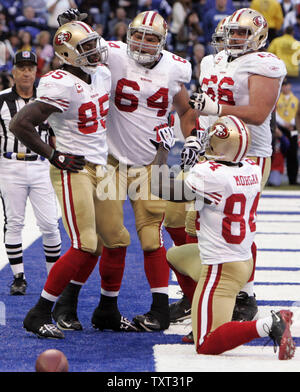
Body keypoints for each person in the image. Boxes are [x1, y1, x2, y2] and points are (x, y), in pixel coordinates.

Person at [54, 9, 198, 332]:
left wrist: (191, 138)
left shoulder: (175, 68)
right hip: (111, 163)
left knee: (151, 237)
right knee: (105, 238)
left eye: (151, 38)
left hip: (153, 164)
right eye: (138, 35)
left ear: (163, 42)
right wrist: (71, 28)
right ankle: (77, 303)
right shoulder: (114, 54)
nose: (143, 43)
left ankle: (160, 310)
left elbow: (186, 109)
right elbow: (82, 49)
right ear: (129, 34)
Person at [10, 21, 139, 338]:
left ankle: (107, 310)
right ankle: (40, 312)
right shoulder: (59, 83)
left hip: (102, 165)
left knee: (118, 238)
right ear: (68, 54)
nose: (95, 51)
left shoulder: (102, 73)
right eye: (86, 47)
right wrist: (54, 155)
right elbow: (20, 124)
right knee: (86, 245)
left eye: (94, 44)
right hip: (74, 168)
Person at [167, 8, 287, 332]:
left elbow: (260, 113)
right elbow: (199, 111)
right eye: (231, 33)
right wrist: (193, 139)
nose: (234, 39)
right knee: (177, 216)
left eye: (242, 33)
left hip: (248, 155)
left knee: (231, 223)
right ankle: (195, 289)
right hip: (210, 149)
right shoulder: (210, 62)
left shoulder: (266, 64)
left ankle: (244, 295)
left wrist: (216, 108)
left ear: (258, 37)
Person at [150, 115, 296, 360]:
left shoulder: (211, 175)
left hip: (221, 268)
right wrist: (195, 164)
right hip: (242, 259)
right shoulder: (250, 168)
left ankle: (270, 324)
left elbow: (160, 187)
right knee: (174, 255)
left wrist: (162, 150)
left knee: (205, 343)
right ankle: (198, 305)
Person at [0, 51, 61, 295]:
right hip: (10, 164)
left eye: (30, 68)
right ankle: (18, 277)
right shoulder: (1, 100)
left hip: (40, 165)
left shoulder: (47, 100)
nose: (26, 72)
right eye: (21, 68)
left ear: (37, 72)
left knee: (49, 223)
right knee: (14, 222)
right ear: (13, 71)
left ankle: (54, 277)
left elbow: (56, 134)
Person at [275, 77, 299, 185]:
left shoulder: (295, 100)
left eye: (287, 85)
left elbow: (297, 114)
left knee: (293, 153)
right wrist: (284, 123)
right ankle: (274, 178)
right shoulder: (278, 99)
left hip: (292, 128)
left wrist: (292, 124)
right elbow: (275, 113)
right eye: (283, 85)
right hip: (281, 128)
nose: (285, 87)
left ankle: (292, 179)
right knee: (278, 151)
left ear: (290, 86)